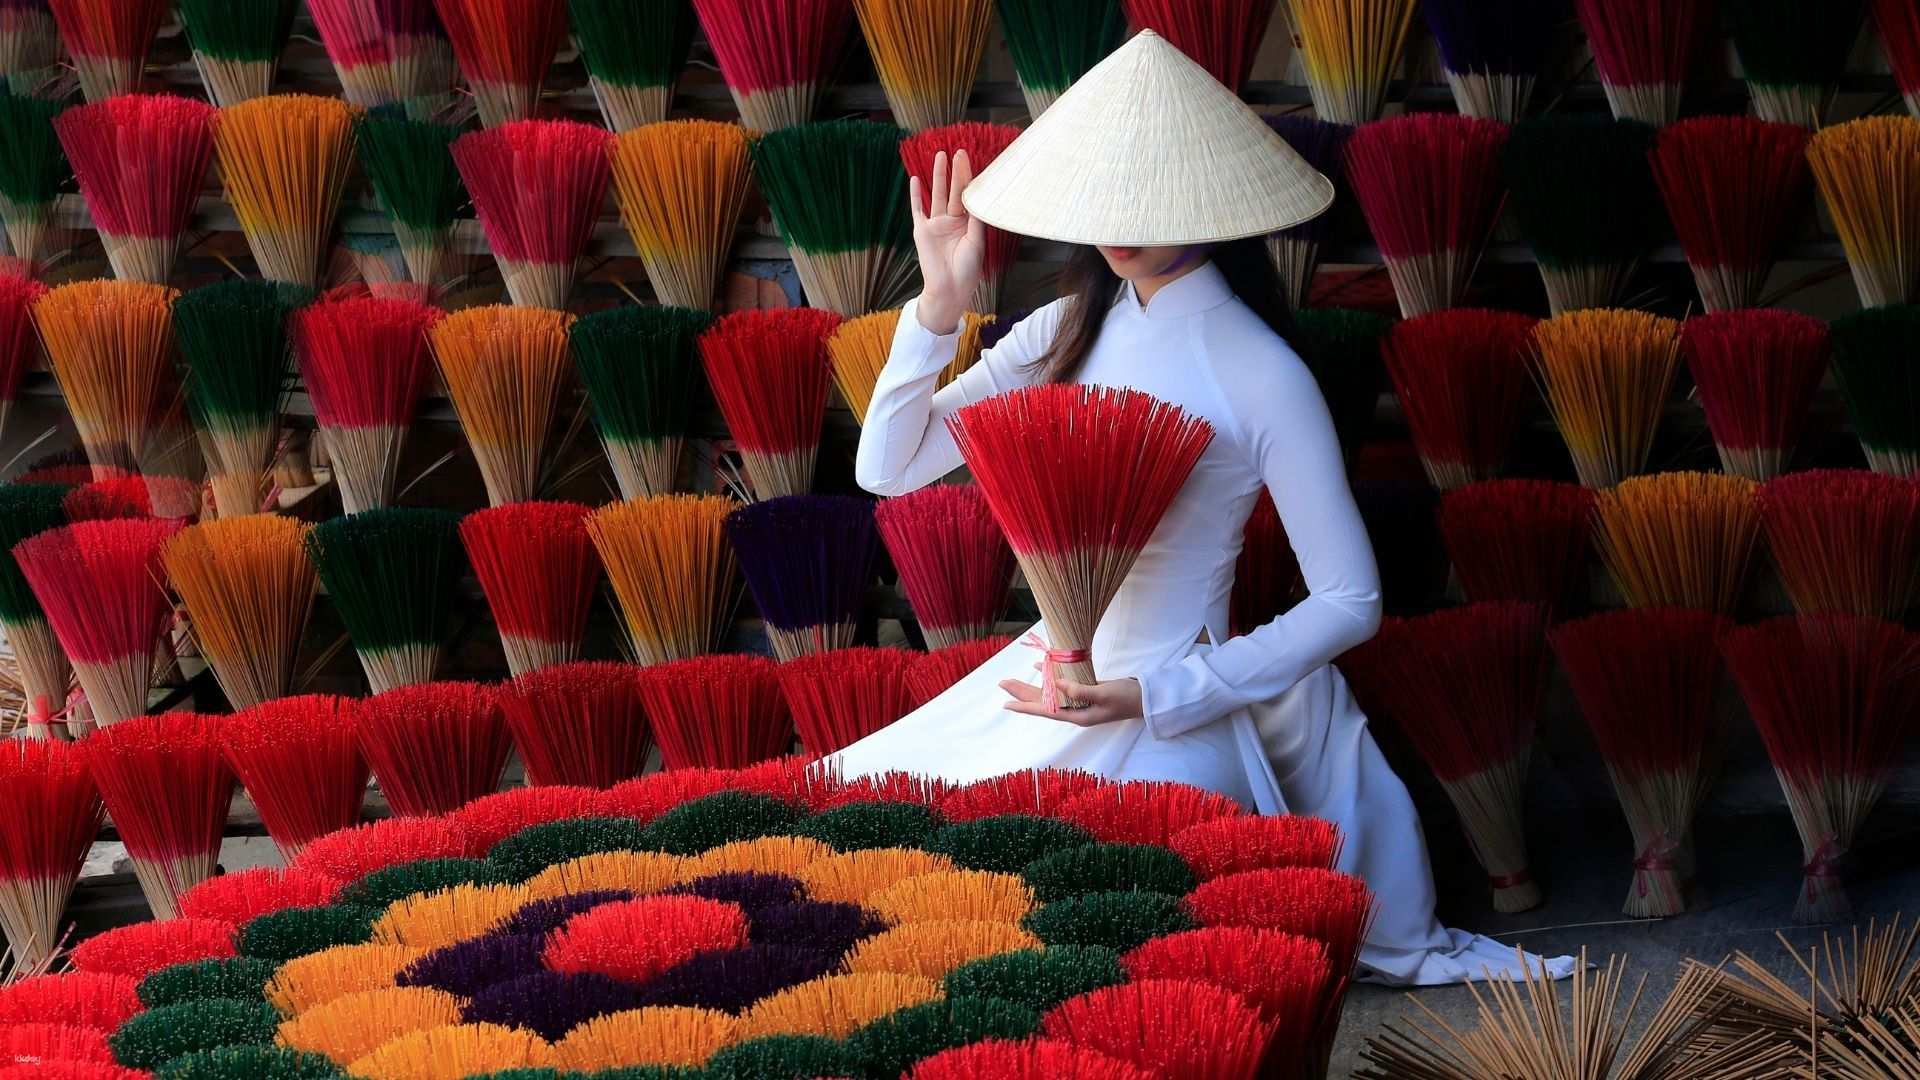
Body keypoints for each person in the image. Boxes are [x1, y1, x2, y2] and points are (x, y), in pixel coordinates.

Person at [827, 30, 1572, 987]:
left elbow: (1351, 601)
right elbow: (889, 470)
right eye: (1109, 192)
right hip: (1047, 684)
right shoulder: (1063, 327)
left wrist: (1158, 697)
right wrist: (938, 306)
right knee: (878, 868)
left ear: (1213, 203)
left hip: (1174, 706)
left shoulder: (1262, 373)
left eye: (1154, 195)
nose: (1122, 221)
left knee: (1111, 936)